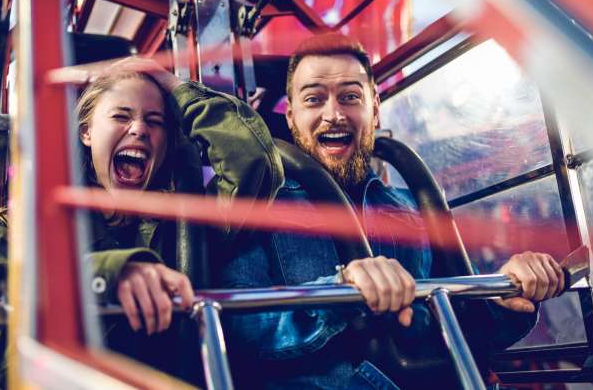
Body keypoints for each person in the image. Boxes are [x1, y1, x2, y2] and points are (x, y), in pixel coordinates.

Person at [218, 33, 564, 389]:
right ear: (291, 116)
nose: (333, 114)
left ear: (375, 107)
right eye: (314, 99)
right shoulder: (258, 207)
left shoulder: (414, 205)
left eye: (350, 97)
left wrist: (510, 291)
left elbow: (471, 321)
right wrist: (339, 293)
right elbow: (239, 329)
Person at [0, 57, 283, 387]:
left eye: (154, 122)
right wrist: (112, 273)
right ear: (86, 132)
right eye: (121, 116)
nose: (140, 129)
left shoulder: (187, 224)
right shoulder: (31, 221)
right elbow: (2, 301)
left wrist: (171, 83)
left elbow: (253, 163)